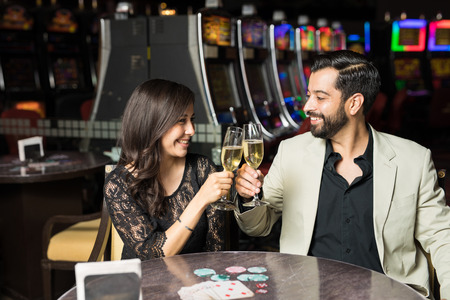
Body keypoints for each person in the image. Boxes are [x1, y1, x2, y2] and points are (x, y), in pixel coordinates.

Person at [234, 50, 450, 299]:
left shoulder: (413, 159)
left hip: (389, 293)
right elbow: (258, 227)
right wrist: (249, 197)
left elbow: (441, 237)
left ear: (354, 103)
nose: (307, 106)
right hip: (308, 292)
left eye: (320, 97)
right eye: (308, 96)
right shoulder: (291, 152)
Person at [104, 78, 233, 260]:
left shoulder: (202, 169)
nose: (191, 130)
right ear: (152, 124)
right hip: (147, 284)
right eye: (181, 121)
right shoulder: (119, 184)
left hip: (198, 281)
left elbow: (215, 249)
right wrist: (200, 199)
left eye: (192, 119)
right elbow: (152, 254)